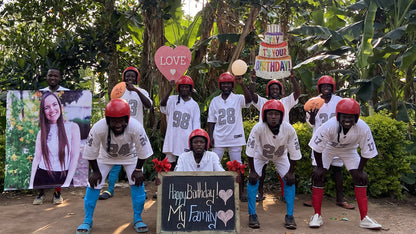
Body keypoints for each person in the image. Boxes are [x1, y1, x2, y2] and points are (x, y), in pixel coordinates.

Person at [76, 98, 153, 234]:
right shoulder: (98, 128)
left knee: (137, 182)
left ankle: (137, 217)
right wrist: (95, 171)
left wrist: (138, 169)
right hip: (105, 156)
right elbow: (91, 151)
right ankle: (87, 220)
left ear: (126, 119)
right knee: (94, 183)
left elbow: (143, 151)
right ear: (107, 120)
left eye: (120, 120)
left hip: (130, 156)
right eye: (113, 121)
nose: (117, 124)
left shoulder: (135, 127)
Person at [308, 98, 382, 230]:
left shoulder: (363, 128)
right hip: (328, 149)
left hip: (349, 150)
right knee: (318, 177)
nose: (347, 120)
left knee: (361, 178)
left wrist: (360, 170)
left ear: (357, 117)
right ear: (338, 116)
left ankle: (364, 218)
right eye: (344, 117)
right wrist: (319, 167)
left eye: (351, 117)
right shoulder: (329, 126)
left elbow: (366, 152)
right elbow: (317, 148)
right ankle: (316, 215)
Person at [246, 100, 302, 229]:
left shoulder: (288, 129)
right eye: (270, 114)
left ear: (281, 115)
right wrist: (253, 171)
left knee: (290, 181)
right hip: (260, 155)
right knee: (253, 181)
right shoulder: (258, 127)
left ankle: (290, 215)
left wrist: (291, 172)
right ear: (264, 115)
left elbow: (294, 153)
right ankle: (252, 214)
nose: (273, 117)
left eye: (276, 114)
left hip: (280, 156)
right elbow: (250, 151)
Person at [99, 66, 153, 200]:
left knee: (138, 161)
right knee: (116, 161)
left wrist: (136, 90)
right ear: (123, 78)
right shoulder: (118, 91)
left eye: (132, 76)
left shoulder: (142, 91)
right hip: (119, 130)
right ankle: (110, 189)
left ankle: (140, 190)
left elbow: (149, 105)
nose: (130, 78)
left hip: (136, 131)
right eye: (127, 76)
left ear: (136, 78)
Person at [303, 75, 354, 209]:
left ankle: (340, 199)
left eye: (329, 86)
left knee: (337, 170)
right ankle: (314, 198)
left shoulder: (340, 101)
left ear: (333, 88)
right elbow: (311, 123)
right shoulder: (313, 102)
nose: (326, 88)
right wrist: (313, 117)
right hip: (320, 141)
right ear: (319, 88)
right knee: (317, 169)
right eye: (323, 86)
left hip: (336, 140)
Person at [249, 69, 300, 202]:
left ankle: (284, 194)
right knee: (261, 168)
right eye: (272, 89)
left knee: (284, 168)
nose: (274, 90)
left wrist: (293, 77)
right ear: (268, 91)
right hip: (264, 139)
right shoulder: (263, 102)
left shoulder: (286, 101)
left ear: (280, 90)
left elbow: (297, 93)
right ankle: (259, 193)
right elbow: (252, 95)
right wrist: (253, 80)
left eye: (277, 88)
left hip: (282, 139)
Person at [29, 92, 81, 205]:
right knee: (41, 181)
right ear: (43, 112)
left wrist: (67, 182)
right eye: (46, 107)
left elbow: (74, 156)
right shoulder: (41, 132)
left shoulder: (72, 127)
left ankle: (57, 193)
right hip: (43, 173)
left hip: (62, 173)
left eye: (54, 104)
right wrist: (31, 183)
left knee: (60, 180)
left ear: (60, 106)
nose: (52, 110)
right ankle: (40, 193)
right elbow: (37, 158)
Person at [207, 72, 251, 200]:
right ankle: (212, 190)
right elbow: (211, 120)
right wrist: (210, 137)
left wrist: (242, 84)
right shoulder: (215, 101)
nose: (226, 86)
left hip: (235, 138)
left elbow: (249, 100)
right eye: (224, 83)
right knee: (213, 164)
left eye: (229, 83)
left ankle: (240, 191)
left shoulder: (238, 98)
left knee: (238, 166)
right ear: (220, 85)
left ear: (232, 85)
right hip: (219, 138)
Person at [33, 68, 70, 204]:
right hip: (45, 128)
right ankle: (40, 193)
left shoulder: (65, 92)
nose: (52, 77)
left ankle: (57, 193)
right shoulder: (41, 92)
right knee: (43, 157)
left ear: (59, 77)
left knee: (60, 157)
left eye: (55, 75)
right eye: (50, 75)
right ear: (46, 77)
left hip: (60, 128)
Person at [160, 75, 200, 169]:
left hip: (186, 137)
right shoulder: (172, 100)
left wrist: (195, 140)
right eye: (182, 86)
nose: (184, 89)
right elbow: (162, 106)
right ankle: (168, 182)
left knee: (186, 162)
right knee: (169, 161)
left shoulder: (194, 105)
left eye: (187, 87)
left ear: (190, 89)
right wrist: (170, 89)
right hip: (172, 136)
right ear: (178, 88)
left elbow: (196, 125)